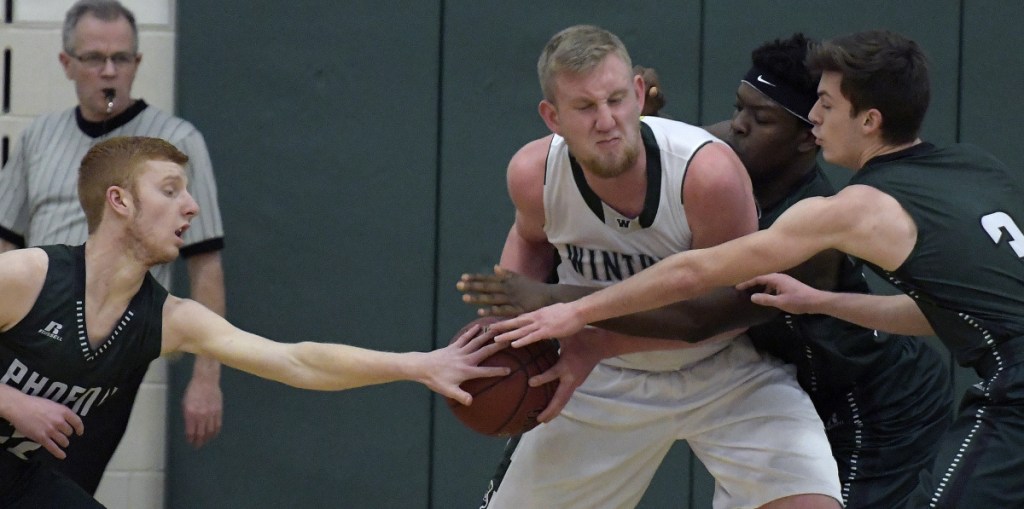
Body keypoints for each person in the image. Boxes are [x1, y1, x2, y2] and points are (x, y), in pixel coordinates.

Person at [492, 29, 1024, 509]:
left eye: (826, 106)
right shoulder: (974, 167)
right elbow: (952, 310)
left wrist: (571, 307)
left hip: (892, 399)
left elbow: (693, 280)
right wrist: (825, 303)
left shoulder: (842, 211)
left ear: (869, 120)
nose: (815, 120)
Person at [0, 136, 510, 508]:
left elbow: (294, 360)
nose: (192, 207)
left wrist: (417, 364)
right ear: (120, 200)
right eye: (171, 190)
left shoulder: (170, 318)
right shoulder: (30, 276)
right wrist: (12, 401)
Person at [467, 24, 842, 509]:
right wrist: (500, 337)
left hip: (721, 369)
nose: (606, 121)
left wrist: (589, 332)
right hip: (596, 376)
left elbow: (711, 314)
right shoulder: (533, 172)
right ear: (552, 117)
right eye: (585, 107)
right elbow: (530, 241)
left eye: (617, 100)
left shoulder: (707, 174)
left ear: (639, 94)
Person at [0, 0, 226, 492]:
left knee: (64, 482)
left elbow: (205, 264)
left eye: (122, 59)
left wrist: (206, 377)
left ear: (138, 64)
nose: (108, 71)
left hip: (111, 352)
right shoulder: (39, 137)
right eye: (94, 58)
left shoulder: (177, 143)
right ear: (66, 63)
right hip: (29, 331)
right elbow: (5, 241)